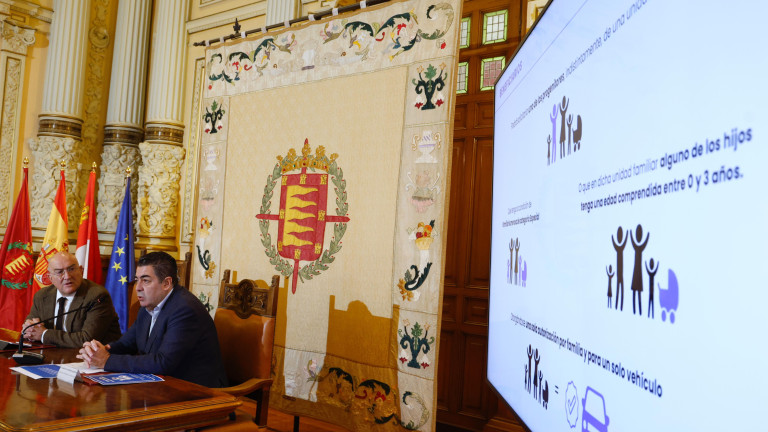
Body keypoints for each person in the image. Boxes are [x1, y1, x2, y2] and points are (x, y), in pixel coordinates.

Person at [78, 251, 227, 388]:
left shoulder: (185, 310)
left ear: (166, 284)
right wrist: (100, 351)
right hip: (164, 385)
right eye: (137, 280)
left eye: (146, 281)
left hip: (198, 391)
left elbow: (163, 363)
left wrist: (107, 361)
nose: (138, 287)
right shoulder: (147, 306)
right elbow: (127, 343)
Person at [23, 252, 122, 348]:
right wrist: (29, 329)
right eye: (59, 272)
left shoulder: (97, 296)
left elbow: (87, 340)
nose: (67, 276)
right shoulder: (42, 296)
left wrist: (44, 334)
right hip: (53, 356)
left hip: (93, 359)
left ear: (81, 271)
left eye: (71, 269)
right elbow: (31, 327)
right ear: (50, 278)